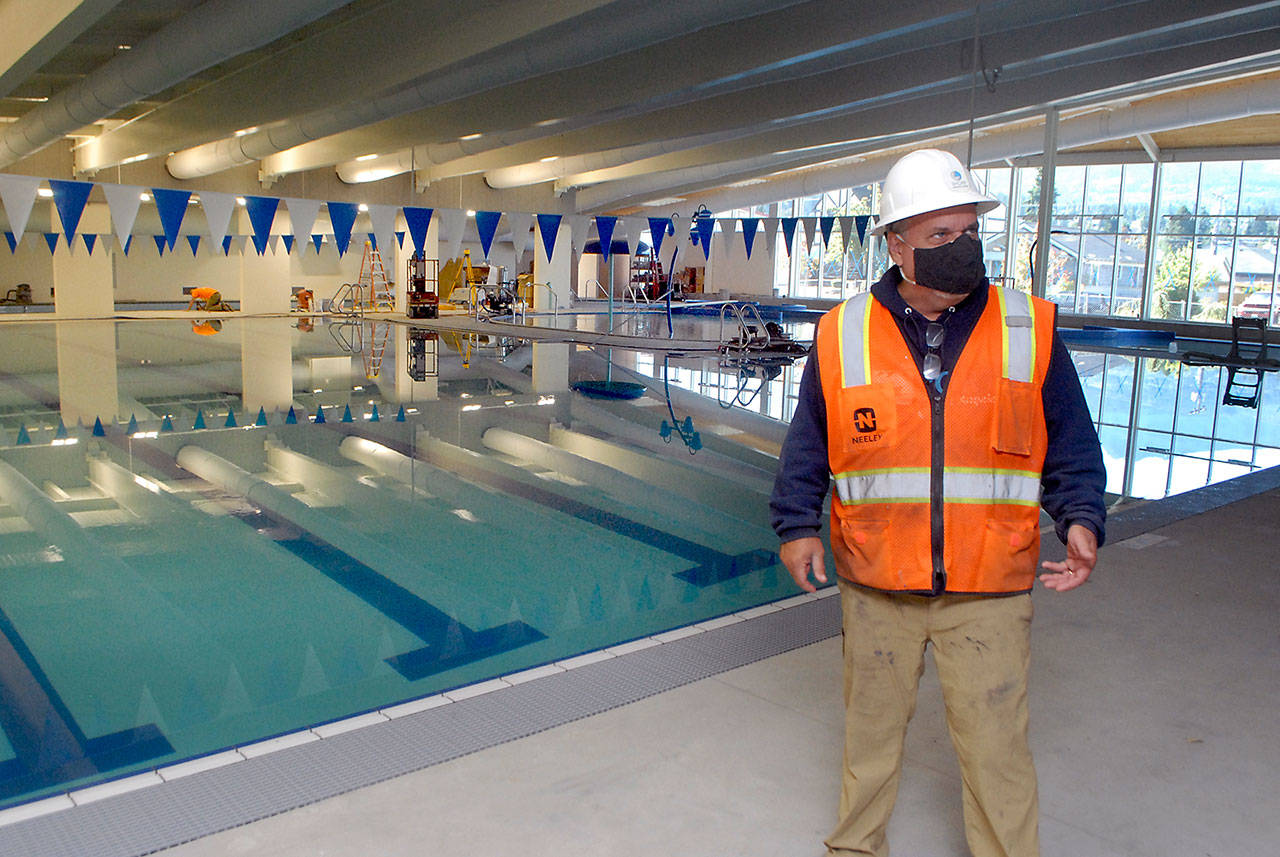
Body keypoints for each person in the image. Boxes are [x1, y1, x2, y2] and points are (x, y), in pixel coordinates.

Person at [770, 148, 1106, 857]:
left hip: (989, 585)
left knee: (997, 756)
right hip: (876, 582)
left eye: (969, 233)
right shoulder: (842, 333)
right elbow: (808, 442)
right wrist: (798, 524)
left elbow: (1072, 439)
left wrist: (1080, 516)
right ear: (897, 245)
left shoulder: (1029, 327)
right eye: (940, 238)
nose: (962, 250)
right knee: (868, 749)